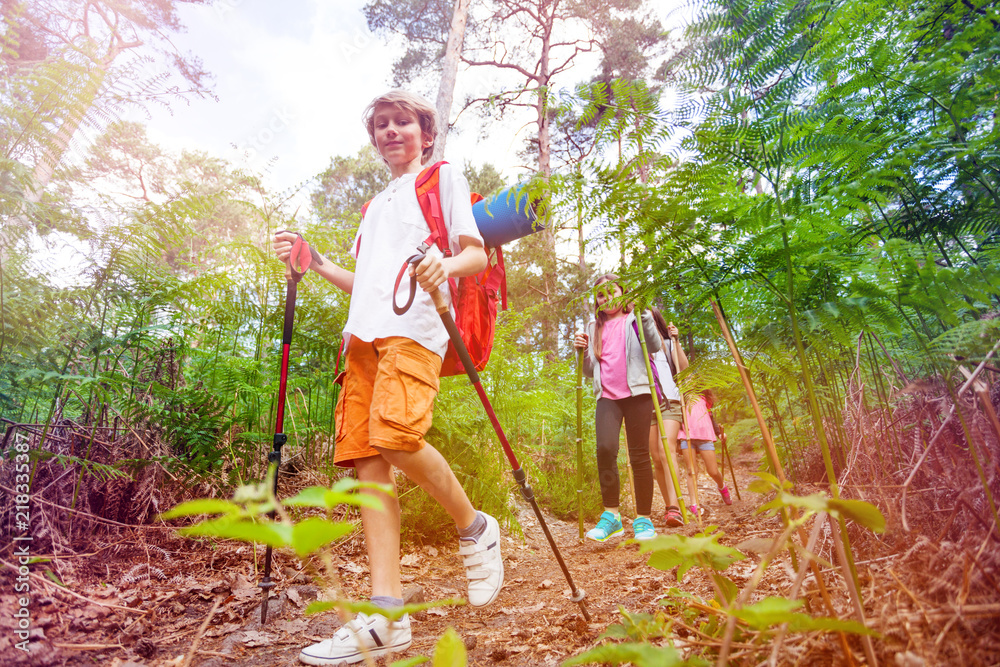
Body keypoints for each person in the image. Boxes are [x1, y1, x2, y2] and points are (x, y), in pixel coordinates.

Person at [273, 90, 503, 666]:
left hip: (416, 328)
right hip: (362, 339)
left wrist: (442, 264)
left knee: (397, 437)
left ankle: (475, 527)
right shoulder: (374, 207)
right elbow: (369, 283)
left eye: (402, 122)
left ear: (424, 132)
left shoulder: (443, 177)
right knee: (369, 469)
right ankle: (384, 620)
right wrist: (316, 263)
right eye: (381, 125)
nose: (390, 131)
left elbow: (473, 253)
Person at [574, 274, 661, 542]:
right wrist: (580, 351)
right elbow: (589, 371)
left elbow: (655, 345)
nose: (607, 298)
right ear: (596, 301)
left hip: (638, 393)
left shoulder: (635, 319)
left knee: (639, 455)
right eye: (601, 295)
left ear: (624, 294)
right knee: (605, 449)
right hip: (608, 397)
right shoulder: (594, 326)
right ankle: (611, 515)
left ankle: (644, 519)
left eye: (612, 292)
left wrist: (642, 311)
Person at [646, 309, 689, 528]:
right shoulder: (636, 347)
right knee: (655, 457)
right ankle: (669, 506)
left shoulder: (667, 343)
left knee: (666, 449)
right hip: (645, 404)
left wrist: (677, 340)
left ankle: (675, 506)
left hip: (669, 400)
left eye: (650, 318)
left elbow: (683, 369)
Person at [677, 390, 733, 517]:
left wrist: (719, 433)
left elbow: (711, 417)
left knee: (712, 471)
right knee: (691, 470)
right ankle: (694, 504)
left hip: (705, 436)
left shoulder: (705, 398)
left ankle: (722, 486)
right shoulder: (681, 395)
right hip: (687, 436)